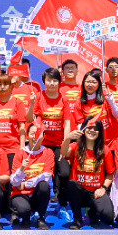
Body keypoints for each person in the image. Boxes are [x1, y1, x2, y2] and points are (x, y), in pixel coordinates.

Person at [64, 121, 115, 228]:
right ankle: (77, 219)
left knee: (108, 216)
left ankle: (93, 213)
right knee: (71, 184)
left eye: (96, 128)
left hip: (96, 192)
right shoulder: (76, 146)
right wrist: (68, 138)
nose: (92, 130)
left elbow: (110, 174)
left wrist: (103, 188)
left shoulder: (105, 150)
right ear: (83, 130)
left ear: (100, 132)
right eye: (89, 127)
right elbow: (64, 152)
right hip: (79, 192)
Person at [34, 67, 74, 199]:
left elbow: (67, 124)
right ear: (44, 81)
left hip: (58, 142)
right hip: (43, 143)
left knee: (64, 172)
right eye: (49, 80)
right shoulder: (39, 97)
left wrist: (65, 143)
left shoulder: (64, 99)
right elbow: (34, 119)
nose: (52, 83)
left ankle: (60, 194)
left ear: (59, 82)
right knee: (42, 171)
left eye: (55, 80)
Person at [9, 123, 55, 229]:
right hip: (21, 194)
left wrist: (26, 184)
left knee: (44, 186)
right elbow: (15, 182)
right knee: (23, 209)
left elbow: (46, 177)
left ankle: (41, 218)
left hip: (36, 194)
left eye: (38, 134)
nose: (35, 137)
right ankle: (25, 217)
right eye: (32, 133)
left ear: (43, 136)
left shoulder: (48, 153)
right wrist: (21, 169)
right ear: (27, 136)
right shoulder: (20, 154)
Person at [0, 75, 29, 163]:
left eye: (5, 84)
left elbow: (22, 127)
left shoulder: (18, 102)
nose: (2, 87)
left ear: (11, 87)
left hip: (12, 149)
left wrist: (22, 148)